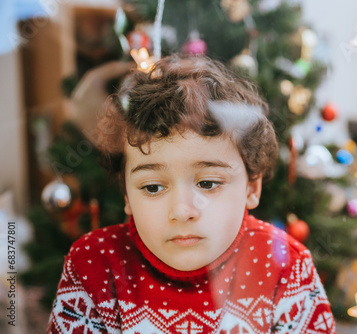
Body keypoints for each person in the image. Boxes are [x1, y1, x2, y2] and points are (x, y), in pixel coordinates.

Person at [47, 54, 336, 334]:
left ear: (252, 187)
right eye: (153, 187)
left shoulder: (286, 267)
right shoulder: (94, 264)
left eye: (208, 183)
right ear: (126, 196)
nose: (183, 211)